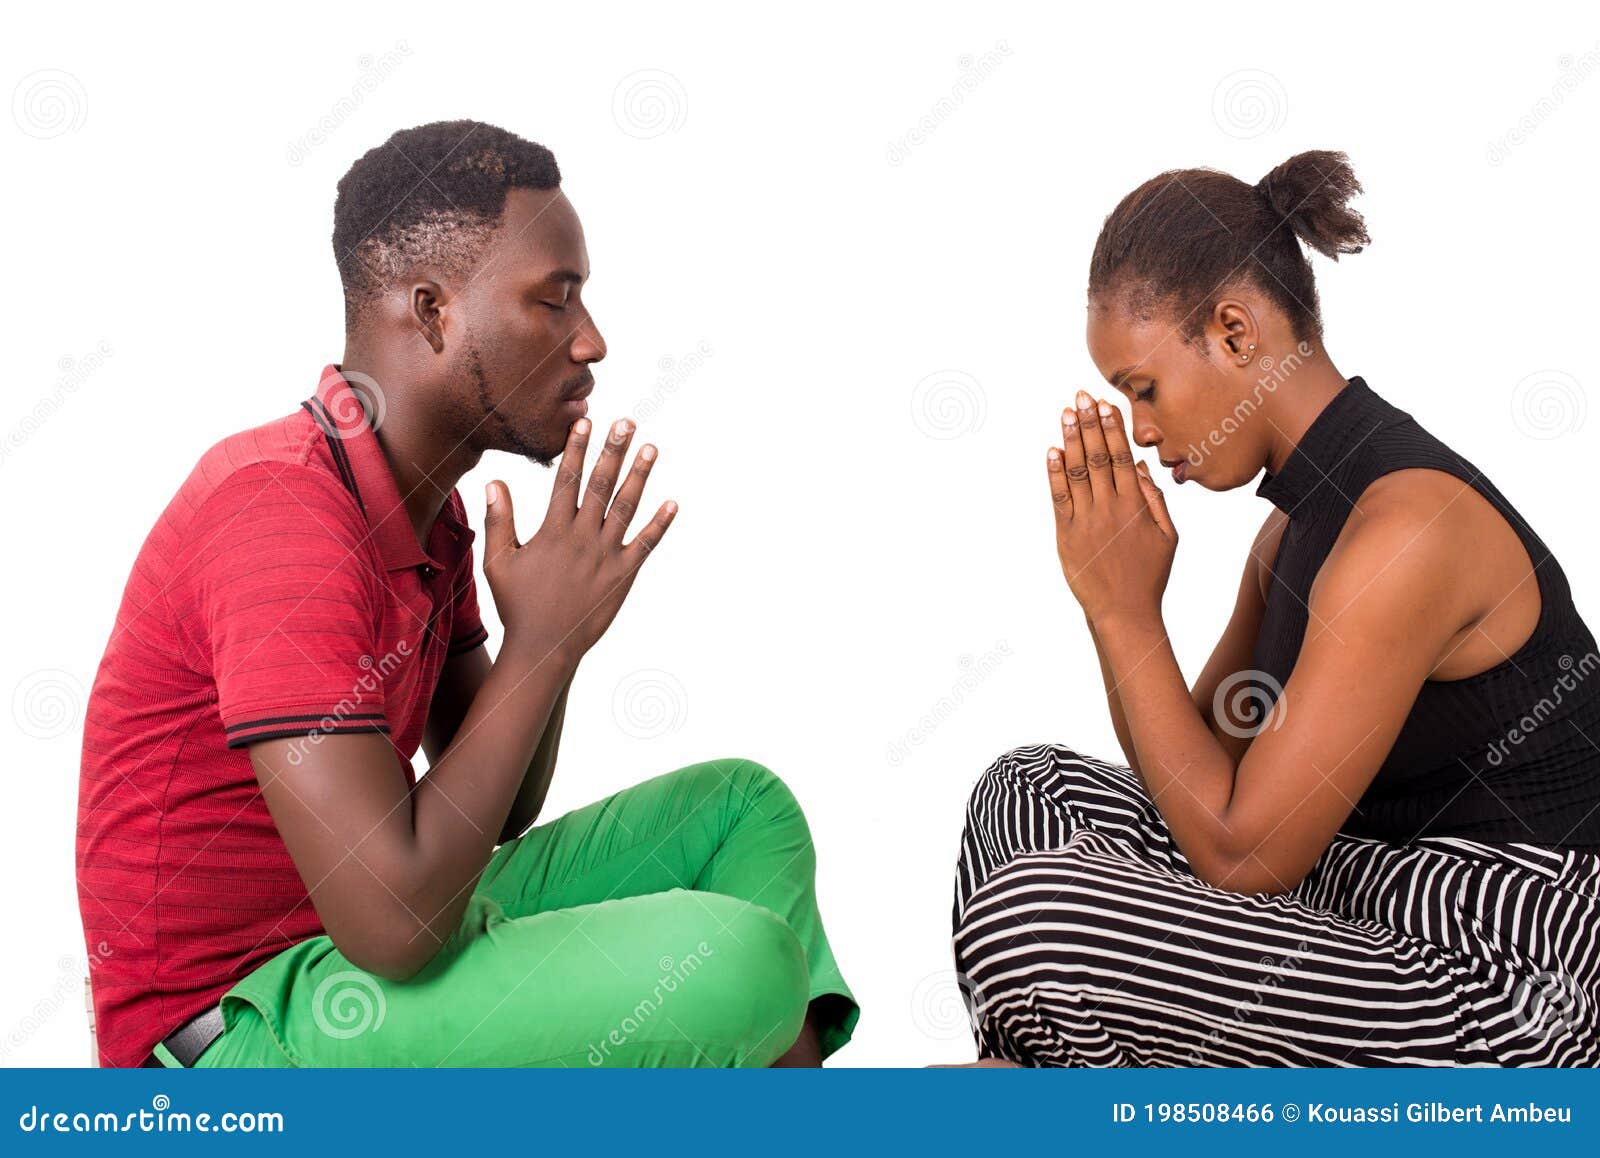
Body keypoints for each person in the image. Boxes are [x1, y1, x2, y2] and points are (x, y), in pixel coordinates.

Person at [76, 119, 857, 1068]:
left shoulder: (425, 512)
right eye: (554, 300)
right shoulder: (279, 514)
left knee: (742, 810)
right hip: (228, 1041)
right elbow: (396, 926)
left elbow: (501, 803)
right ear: (434, 312)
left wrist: (552, 638)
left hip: (359, 952)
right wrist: (543, 643)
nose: (592, 342)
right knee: (741, 964)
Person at [952, 150, 1600, 1067]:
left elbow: (1242, 859)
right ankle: (1053, 1097)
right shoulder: (1292, 532)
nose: (1140, 427)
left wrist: (1125, 614)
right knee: (1026, 790)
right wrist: (1118, 603)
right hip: (1366, 893)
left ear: (1234, 331)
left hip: (1505, 975)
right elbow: (1200, 776)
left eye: (1143, 387)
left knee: (1038, 918)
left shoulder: (1404, 532)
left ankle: (1041, 1106)